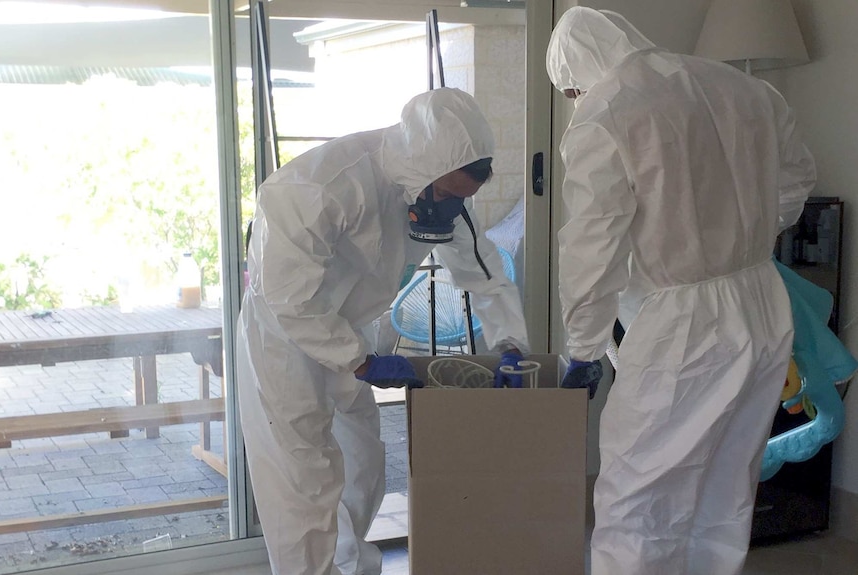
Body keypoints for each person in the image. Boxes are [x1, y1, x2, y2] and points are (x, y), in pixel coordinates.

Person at [547, 7, 816, 575]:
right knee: (727, 475)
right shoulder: (749, 89)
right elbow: (795, 182)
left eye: (571, 88)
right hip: (761, 299)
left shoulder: (606, 112)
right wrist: (736, 239)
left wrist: (584, 346)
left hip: (685, 323)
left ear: (581, 71)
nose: (575, 99)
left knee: (639, 487)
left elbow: (592, 248)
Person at [236, 87, 530, 575]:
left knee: (362, 461)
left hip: (349, 327)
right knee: (303, 477)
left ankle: (353, 567)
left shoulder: (442, 192)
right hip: (283, 339)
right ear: (423, 170)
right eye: (449, 195)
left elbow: (485, 275)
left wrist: (511, 345)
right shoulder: (319, 187)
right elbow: (288, 297)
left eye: (463, 199)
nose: (453, 210)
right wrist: (361, 360)